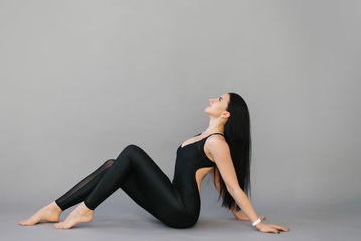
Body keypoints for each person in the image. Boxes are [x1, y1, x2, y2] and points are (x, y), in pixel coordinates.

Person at [19, 92, 289, 234]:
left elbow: (231, 185)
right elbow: (218, 177)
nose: (211, 99)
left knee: (131, 152)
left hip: (181, 212)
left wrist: (256, 223)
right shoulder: (204, 136)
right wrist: (235, 212)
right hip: (171, 199)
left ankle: (86, 209)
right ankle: (54, 208)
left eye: (218, 99)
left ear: (226, 113)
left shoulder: (218, 142)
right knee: (115, 164)